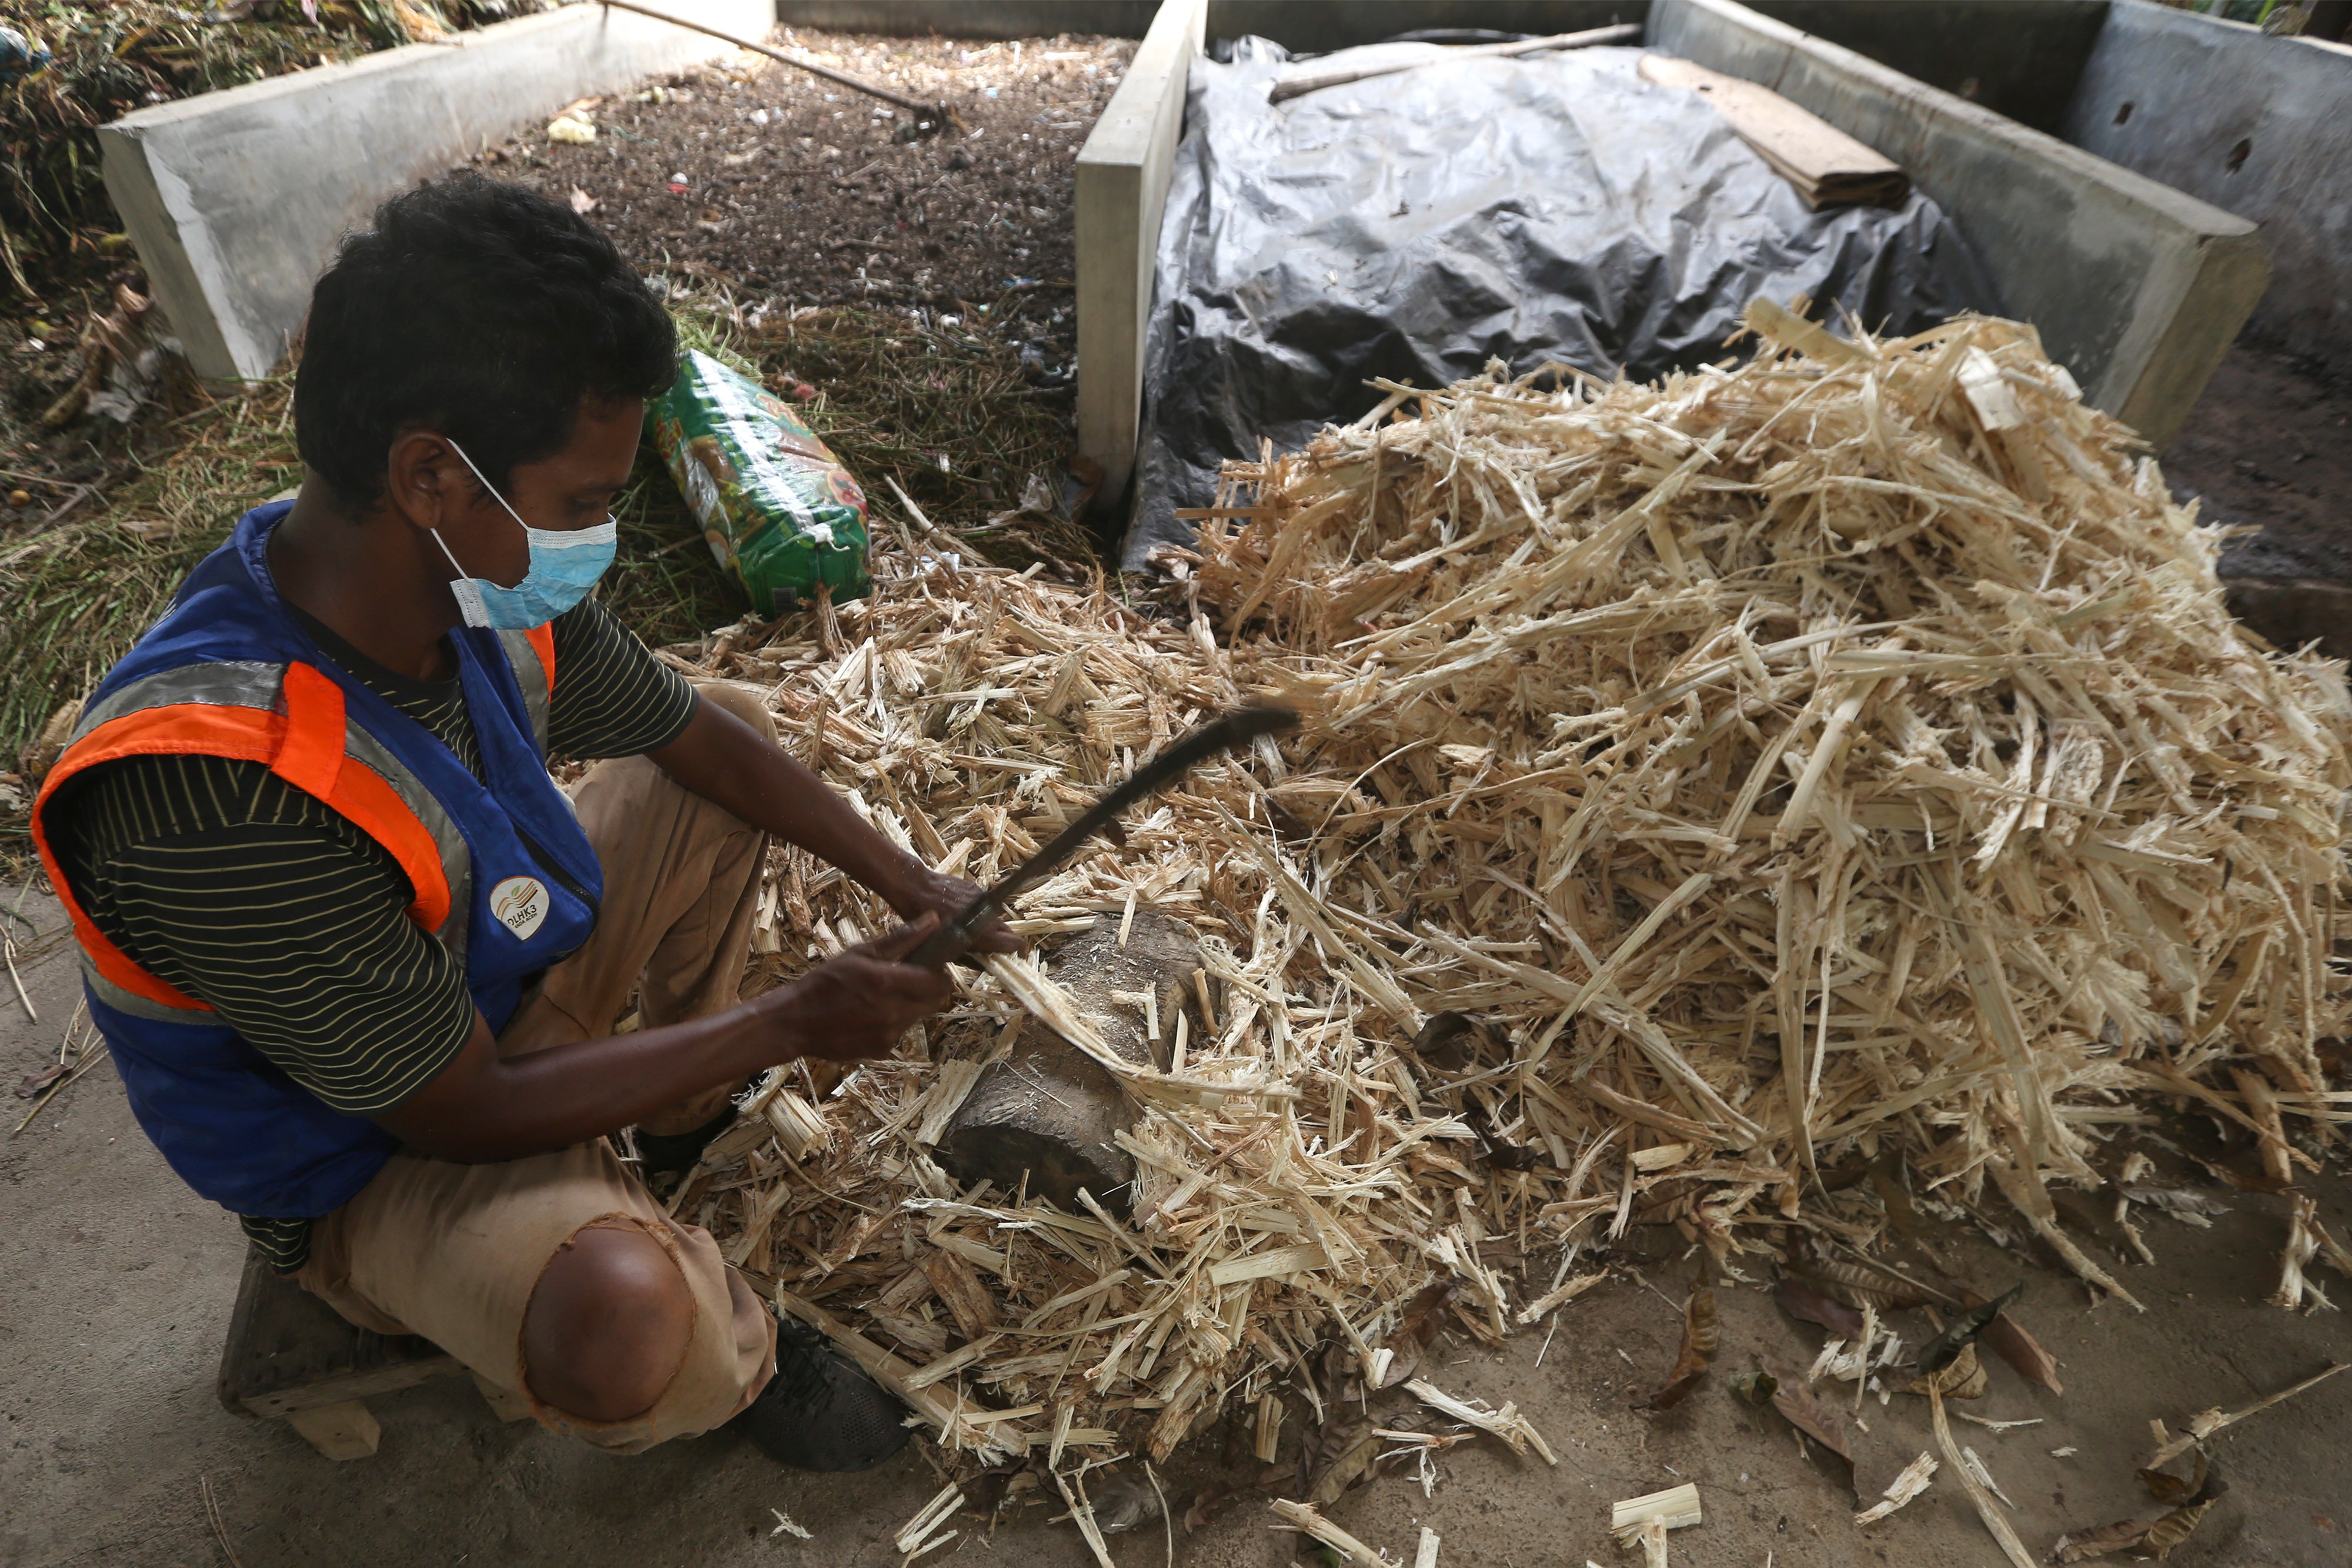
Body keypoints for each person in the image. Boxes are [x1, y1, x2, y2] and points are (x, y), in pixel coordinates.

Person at [29, 174, 1014, 1465]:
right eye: (584, 501)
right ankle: (733, 1351)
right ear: (431, 475)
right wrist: (787, 1021)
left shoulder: (458, 577)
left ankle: (678, 1129)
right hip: (367, 1149)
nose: (602, 535)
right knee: (622, 1326)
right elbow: (456, 1111)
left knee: (719, 733)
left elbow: (691, 733)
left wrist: (910, 883)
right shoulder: (222, 794)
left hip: (474, 998)